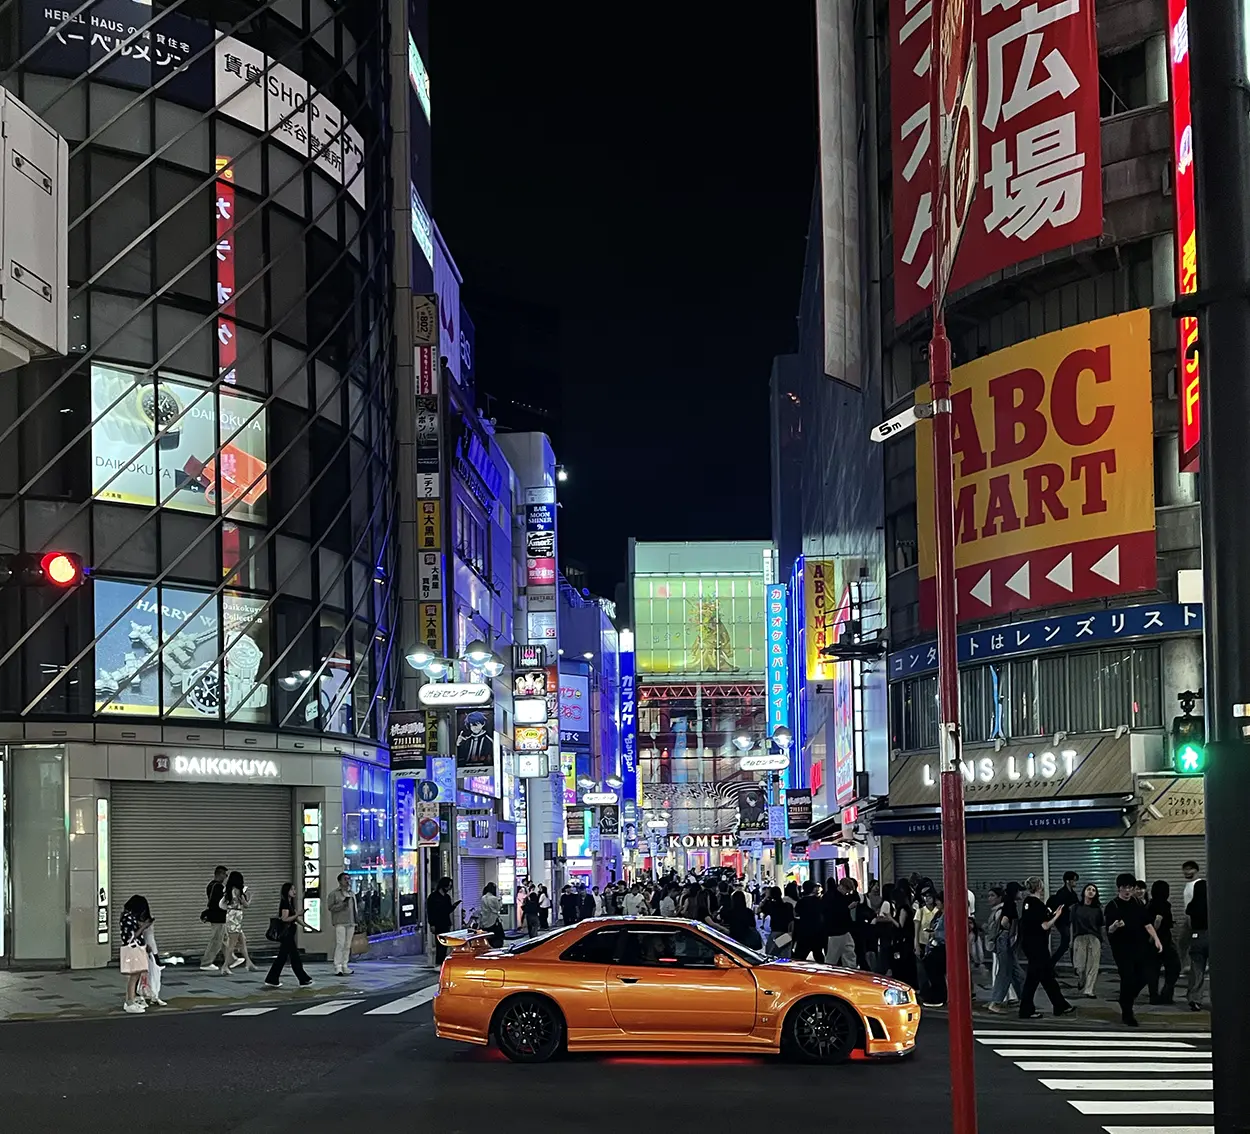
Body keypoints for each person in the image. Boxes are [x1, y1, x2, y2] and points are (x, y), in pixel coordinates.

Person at [1105, 872, 1163, 1026]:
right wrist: (1115, 926)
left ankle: (1126, 999)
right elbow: (1109, 930)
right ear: (1119, 888)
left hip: (1140, 946)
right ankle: (1127, 1012)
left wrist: (1157, 940)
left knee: (1146, 976)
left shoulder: (1137, 903)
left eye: (1130, 887)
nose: (1127, 891)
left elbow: (1147, 924)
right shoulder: (1112, 905)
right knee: (1128, 978)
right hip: (1122, 949)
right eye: (1124, 887)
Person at [1016, 876, 1075, 1019]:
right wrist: (1057, 916)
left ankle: (1059, 1005)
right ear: (1040, 888)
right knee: (1038, 977)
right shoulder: (1037, 905)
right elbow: (1044, 925)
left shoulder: (1027, 903)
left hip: (1030, 944)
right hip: (1038, 945)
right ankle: (1029, 1009)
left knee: (1043, 976)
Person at [264, 882, 314, 989]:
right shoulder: (285, 903)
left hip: (290, 933)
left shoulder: (290, 903)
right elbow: (285, 919)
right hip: (287, 934)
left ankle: (272, 979)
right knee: (293, 957)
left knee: (284, 957)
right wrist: (297, 914)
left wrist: (307, 925)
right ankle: (303, 979)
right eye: (292, 889)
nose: (294, 891)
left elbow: (296, 918)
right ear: (287, 891)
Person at [986, 884, 1025, 1012]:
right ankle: (996, 1002)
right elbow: (1004, 922)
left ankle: (1023, 998)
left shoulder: (1006, 904)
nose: (1022, 894)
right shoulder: (1010, 904)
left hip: (1004, 940)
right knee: (1005, 971)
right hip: (1005, 940)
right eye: (1020, 891)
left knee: (1016, 972)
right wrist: (1009, 933)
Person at [1146, 879, 1181, 1005]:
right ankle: (1166, 994)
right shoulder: (1164, 904)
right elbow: (1158, 920)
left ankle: (1154, 996)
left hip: (1152, 942)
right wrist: (1153, 936)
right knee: (1174, 967)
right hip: (1163, 940)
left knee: (1153, 970)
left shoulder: (1150, 904)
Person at [220, 870, 259, 976]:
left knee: (242, 941)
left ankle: (249, 962)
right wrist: (250, 899)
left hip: (230, 916)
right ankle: (225, 966)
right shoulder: (239, 891)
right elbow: (246, 905)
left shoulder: (228, 890)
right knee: (232, 944)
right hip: (236, 918)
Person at [120, 895, 154, 1013]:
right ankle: (129, 1002)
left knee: (137, 974)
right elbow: (131, 936)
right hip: (133, 949)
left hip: (136, 948)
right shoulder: (127, 917)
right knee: (134, 976)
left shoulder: (127, 916)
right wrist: (144, 926)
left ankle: (131, 1000)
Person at [1070, 883, 1104, 998]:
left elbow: (1101, 926)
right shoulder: (1075, 907)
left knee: (1093, 965)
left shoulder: (1098, 909)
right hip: (1079, 937)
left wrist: (1102, 940)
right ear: (1084, 891)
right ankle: (1081, 979)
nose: (1091, 891)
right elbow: (1071, 924)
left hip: (1094, 938)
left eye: (1093, 890)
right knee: (1080, 966)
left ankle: (1089, 990)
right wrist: (1071, 940)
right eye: (1088, 889)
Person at [1047, 870, 1081, 969]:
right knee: (1066, 942)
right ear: (1067, 881)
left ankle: (1075, 966)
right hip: (1062, 922)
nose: (1075, 883)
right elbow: (1059, 908)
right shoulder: (1062, 893)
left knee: (1070, 943)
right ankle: (1051, 964)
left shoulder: (1073, 894)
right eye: (1074, 880)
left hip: (1069, 922)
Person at [327, 872, 357, 977]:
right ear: (340, 881)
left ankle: (345, 965)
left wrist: (357, 920)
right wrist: (342, 904)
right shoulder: (334, 894)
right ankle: (337, 966)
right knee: (340, 943)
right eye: (345, 879)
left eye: (348, 879)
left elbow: (354, 909)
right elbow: (330, 907)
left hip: (351, 921)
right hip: (340, 921)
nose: (347, 881)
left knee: (348, 945)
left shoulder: (352, 893)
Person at [822, 878, 858, 967]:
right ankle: (829, 973)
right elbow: (832, 913)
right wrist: (848, 908)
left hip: (842, 930)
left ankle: (850, 970)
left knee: (848, 952)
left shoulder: (834, 896)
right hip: (835, 931)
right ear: (841, 886)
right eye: (847, 889)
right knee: (832, 957)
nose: (847, 892)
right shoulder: (831, 897)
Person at [1185, 876, 1208, 1011]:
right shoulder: (1213, 903)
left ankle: (1195, 999)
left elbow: (1188, 923)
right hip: (1212, 936)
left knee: (1197, 969)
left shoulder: (1192, 905)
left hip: (1196, 936)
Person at [921, 892, 948, 1007]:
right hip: (934, 946)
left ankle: (939, 997)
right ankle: (935, 995)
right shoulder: (940, 914)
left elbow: (948, 933)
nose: (936, 903)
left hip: (941, 947)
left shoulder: (947, 915)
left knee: (937, 974)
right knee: (933, 973)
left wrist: (935, 933)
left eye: (938, 900)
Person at [201, 865, 229, 971]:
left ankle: (230, 959)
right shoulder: (218, 887)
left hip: (217, 916)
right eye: (225, 875)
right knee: (216, 940)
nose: (226, 877)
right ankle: (206, 963)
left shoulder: (211, 885)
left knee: (225, 939)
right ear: (220, 874)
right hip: (218, 917)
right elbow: (218, 903)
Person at [792, 880, 826, 962]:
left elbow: (796, 914)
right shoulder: (819, 901)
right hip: (817, 932)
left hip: (804, 932)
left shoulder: (801, 901)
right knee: (818, 955)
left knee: (799, 957)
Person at [427, 877, 458, 965]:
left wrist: (454, 906)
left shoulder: (447, 897)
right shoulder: (433, 897)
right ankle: (439, 962)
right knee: (439, 945)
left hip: (445, 923)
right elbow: (430, 911)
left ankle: (443, 962)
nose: (449, 889)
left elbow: (447, 910)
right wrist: (431, 924)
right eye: (448, 886)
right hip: (437, 923)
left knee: (445, 945)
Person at [759, 885, 794, 957]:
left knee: (771, 955)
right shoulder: (788, 906)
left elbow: (758, 910)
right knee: (785, 956)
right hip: (786, 934)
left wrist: (766, 897)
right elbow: (791, 921)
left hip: (775, 933)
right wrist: (791, 933)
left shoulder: (771, 905)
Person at [478, 882, 504, 947]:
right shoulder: (494, 898)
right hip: (493, 921)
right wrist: (500, 901)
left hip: (485, 920)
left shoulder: (483, 898)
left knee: (487, 938)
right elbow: (498, 908)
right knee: (496, 938)